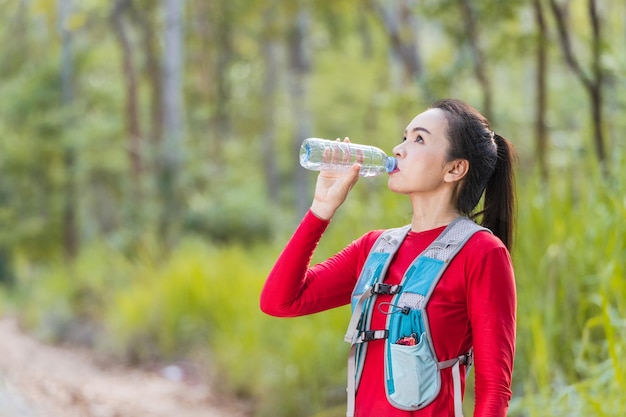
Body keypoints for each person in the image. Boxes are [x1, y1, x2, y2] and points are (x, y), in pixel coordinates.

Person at [260, 98, 517, 417]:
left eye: (419, 139)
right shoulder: (374, 248)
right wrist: (321, 209)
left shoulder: (481, 253)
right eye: (404, 136)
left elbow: (494, 390)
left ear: (455, 168)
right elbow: (279, 302)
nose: (398, 149)